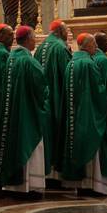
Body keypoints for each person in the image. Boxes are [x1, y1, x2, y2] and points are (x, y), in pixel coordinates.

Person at [0, 24, 48, 198]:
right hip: (27, 113)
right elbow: (41, 87)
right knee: (29, 145)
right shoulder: (29, 61)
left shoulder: (12, 58)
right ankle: (27, 187)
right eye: (33, 38)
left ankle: (14, 185)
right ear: (28, 39)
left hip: (13, 110)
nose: (35, 41)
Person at [59, 32, 107, 196]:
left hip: (74, 115)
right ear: (87, 46)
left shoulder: (71, 64)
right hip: (89, 115)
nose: (96, 47)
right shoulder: (89, 64)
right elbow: (99, 91)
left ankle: (80, 184)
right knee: (92, 147)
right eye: (94, 44)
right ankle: (92, 185)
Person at [35, 19, 71, 187]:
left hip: (43, 98)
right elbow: (67, 74)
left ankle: (45, 172)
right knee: (58, 132)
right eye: (67, 31)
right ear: (60, 32)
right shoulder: (61, 47)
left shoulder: (41, 46)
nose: (68, 34)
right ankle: (56, 175)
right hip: (58, 97)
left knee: (46, 134)